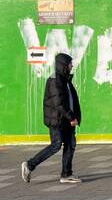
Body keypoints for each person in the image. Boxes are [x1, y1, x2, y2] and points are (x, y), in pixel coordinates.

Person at [20, 52, 82, 184]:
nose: (72, 66)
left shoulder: (65, 80)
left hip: (65, 119)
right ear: (63, 65)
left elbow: (71, 100)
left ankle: (66, 174)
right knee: (56, 145)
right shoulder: (54, 80)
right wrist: (71, 117)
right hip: (57, 120)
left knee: (70, 144)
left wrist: (74, 115)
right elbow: (59, 102)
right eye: (70, 64)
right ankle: (29, 165)